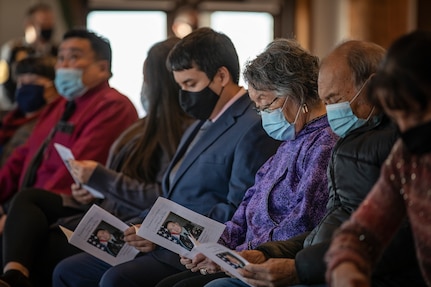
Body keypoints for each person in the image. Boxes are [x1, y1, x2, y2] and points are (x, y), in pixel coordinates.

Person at [52, 27, 280, 287]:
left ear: (221, 76)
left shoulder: (252, 126)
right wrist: (141, 225)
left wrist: (161, 233)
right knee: (67, 271)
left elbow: (238, 208)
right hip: (161, 239)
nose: (183, 95)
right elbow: (169, 194)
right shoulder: (201, 122)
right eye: (179, 85)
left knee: (116, 280)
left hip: (191, 248)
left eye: (190, 84)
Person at [203, 39, 426, 287]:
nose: (330, 113)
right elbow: (355, 222)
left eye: (334, 100)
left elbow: (396, 237)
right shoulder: (362, 145)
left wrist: (298, 266)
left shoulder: (336, 143)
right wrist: (264, 252)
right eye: (326, 101)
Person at [155, 37, 338, 287]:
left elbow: (302, 222)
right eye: (257, 105)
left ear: (295, 91)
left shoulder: (325, 142)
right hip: (244, 254)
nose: (262, 112)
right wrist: (214, 247)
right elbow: (246, 207)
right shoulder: (289, 141)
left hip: (272, 260)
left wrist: (237, 254)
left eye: (266, 102)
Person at [0, 29, 139, 287]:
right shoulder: (59, 104)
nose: (63, 65)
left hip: (76, 203)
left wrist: (16, 215)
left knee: (27, 204)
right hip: (33, 205)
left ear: (102, 67)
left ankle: (14, 277)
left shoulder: (113, 105)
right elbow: (23, 156)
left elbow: (77, 170)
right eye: (61, 58)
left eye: (73, 57)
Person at [325, 30, 431, 287]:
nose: (405, 130)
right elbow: (362, 228)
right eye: (397, 118)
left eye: (415, 117)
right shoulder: (407, 157)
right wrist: (346, 264)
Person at [0, 3, 58, 117]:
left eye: (51, 22)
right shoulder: (13, 50)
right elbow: (3, 81)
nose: (48, 26)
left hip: (48, 111)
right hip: (16, 110)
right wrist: (12, 111)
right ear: (29, 24)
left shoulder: (57, 51)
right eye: (44, 22)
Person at [0, 55, 59, 167]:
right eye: (21, 82)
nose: (25, 88)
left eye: (33, 82)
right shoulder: (8, 120)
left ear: (51, 88)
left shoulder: (51, 127)